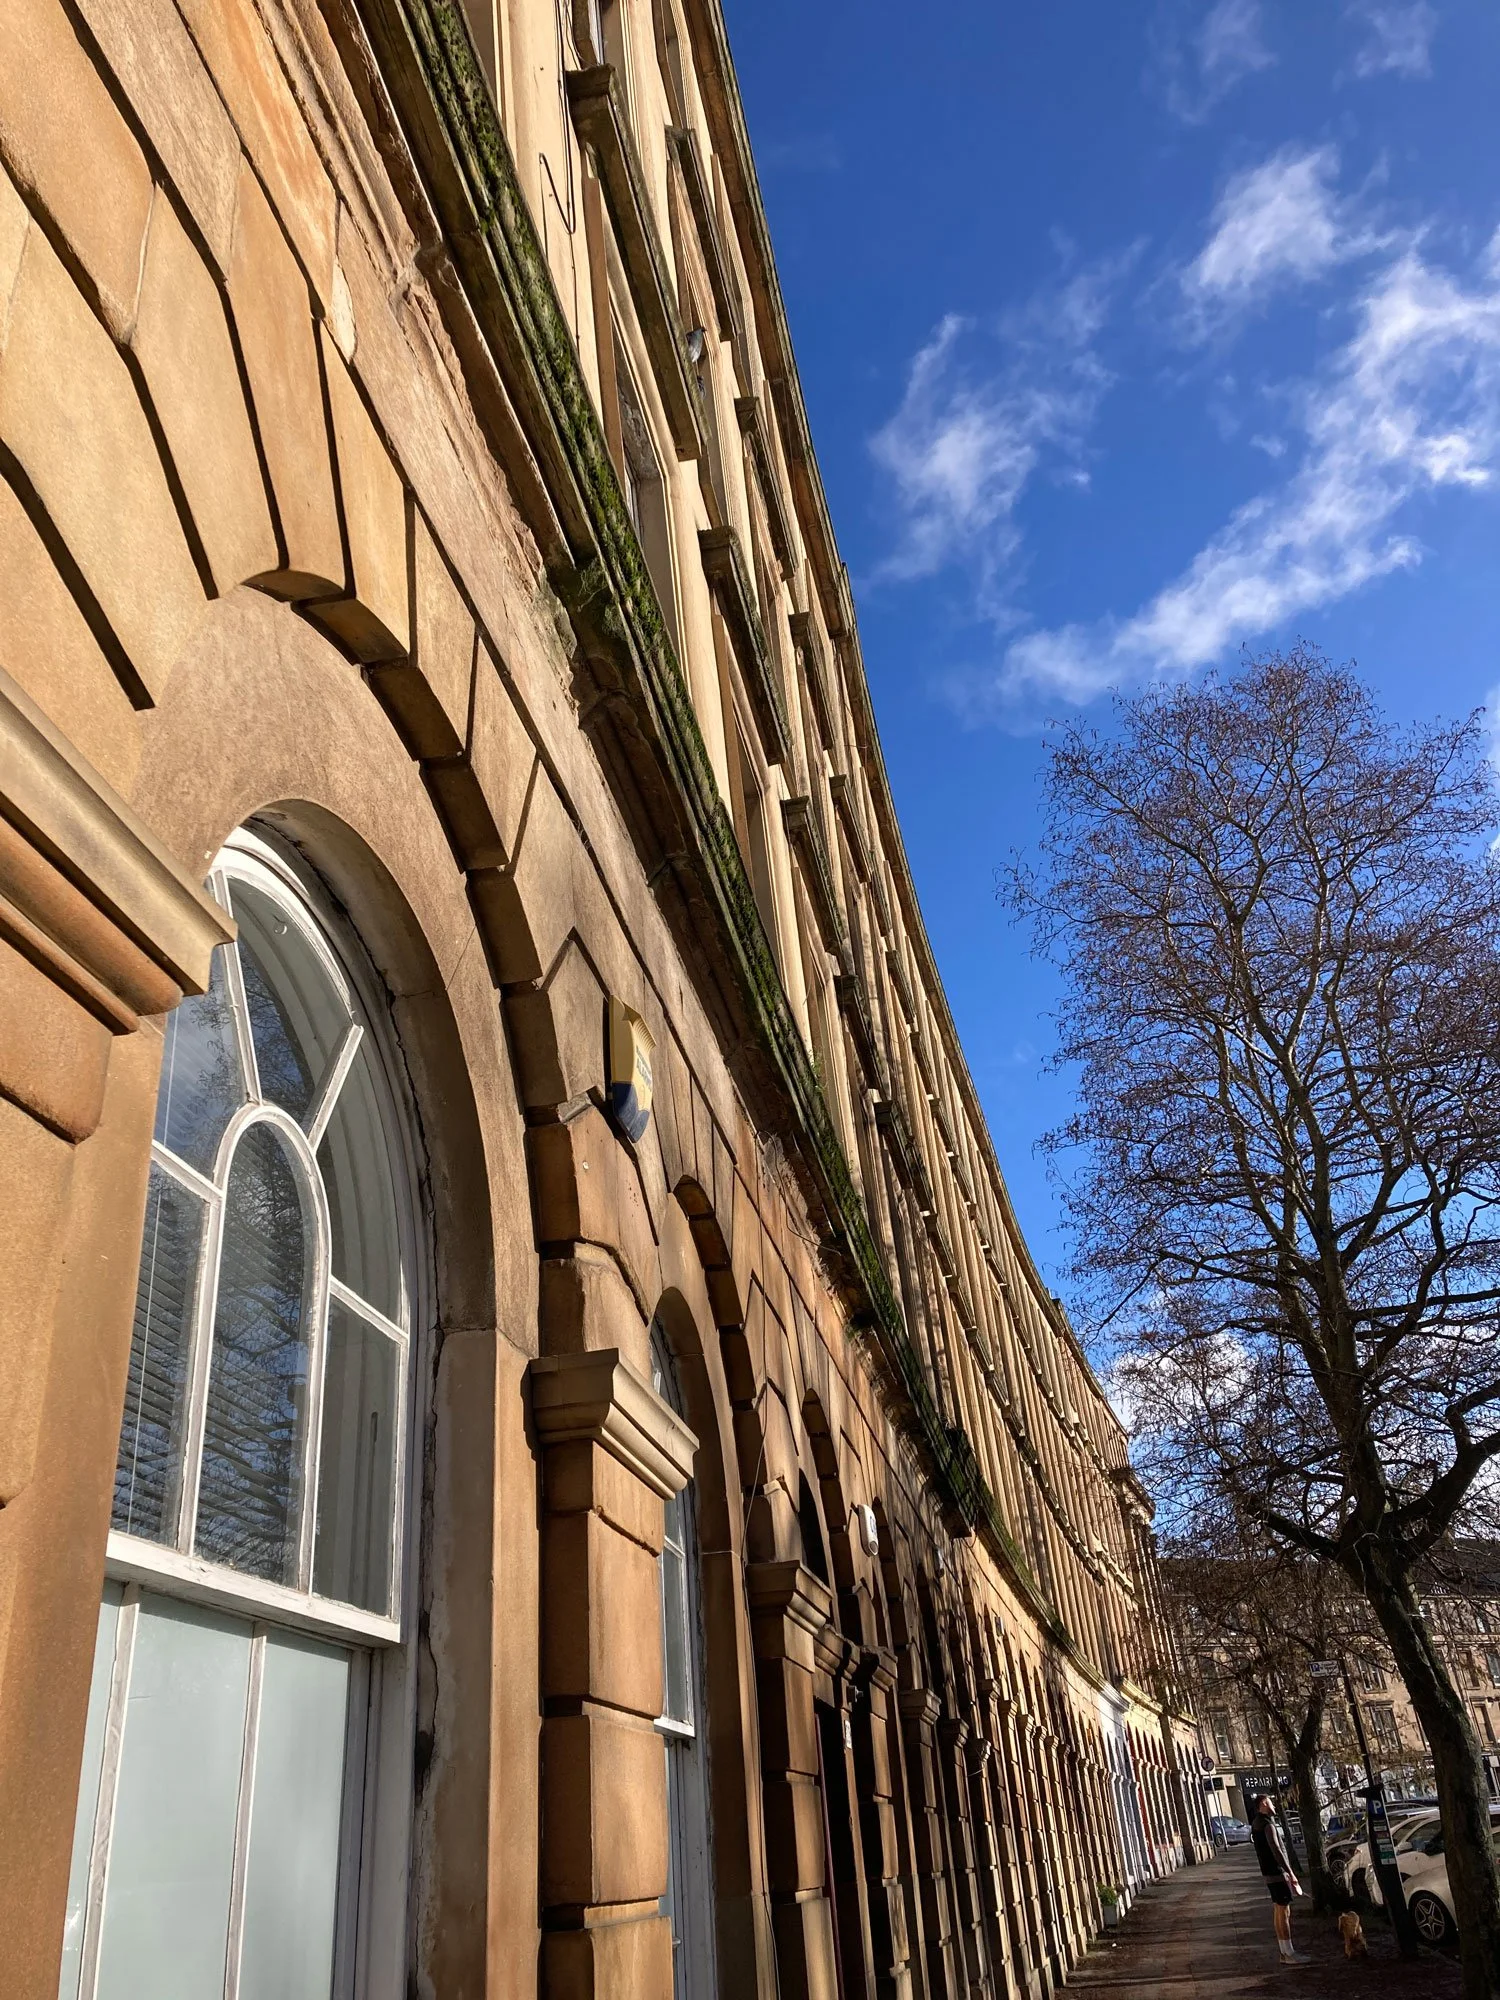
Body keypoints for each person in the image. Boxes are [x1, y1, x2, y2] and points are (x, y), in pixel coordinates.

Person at [1252, 1795, 1309, 1965]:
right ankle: (1289, 1953)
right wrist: (1290, 1872)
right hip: (1277, 1872)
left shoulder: (1256, 1824)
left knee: (1278, 1909)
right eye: (1271, 1802)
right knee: (1284, 1911)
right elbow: (1276, 1849)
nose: (1274, 1806)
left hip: (1268, 1872)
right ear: (1264, 1804)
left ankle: (1284, 1951)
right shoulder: (1268, 1825)